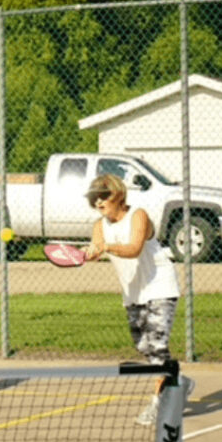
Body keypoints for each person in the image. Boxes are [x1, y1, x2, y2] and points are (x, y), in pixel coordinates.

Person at [83, 173, 194, 425]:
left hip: (160, 288)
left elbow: (134, 249)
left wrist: (106, 247)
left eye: (104, 196)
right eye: (95, 198)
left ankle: (159, 403)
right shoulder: (99, 226)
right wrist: (88, 253)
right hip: (133, 292)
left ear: (118, 195)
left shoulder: (139, 215)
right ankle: (180, 380)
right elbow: (96, 248)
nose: (99, 202)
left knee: (157, 347)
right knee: (142, 345)